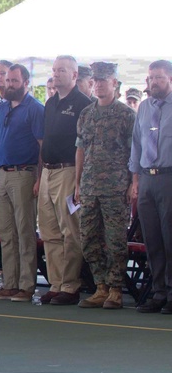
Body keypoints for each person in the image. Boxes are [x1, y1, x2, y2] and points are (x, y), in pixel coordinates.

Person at [74, 62, 136, 309]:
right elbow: (80, 149)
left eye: (103, 80)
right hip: (89, 186)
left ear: (115, 84)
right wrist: (77, 183)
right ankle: (100, 286)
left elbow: (134, 152)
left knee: (115, 241)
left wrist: (132, 183)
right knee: (89, 238)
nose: (98, 84)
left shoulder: (126, 115)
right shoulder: (86, 114)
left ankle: (116, 289)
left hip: (115, 188)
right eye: (95, 81)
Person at [0, 64, 45, 303]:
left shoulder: (35, 109)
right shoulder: (2, 108)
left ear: (26, 83)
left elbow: (43, 146)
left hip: (24, 173)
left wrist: (39, 178)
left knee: (25, 231)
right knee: (6, 233)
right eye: (7, 80)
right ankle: (9, 283)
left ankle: (26, 285)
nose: (9, 84)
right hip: (3, 173)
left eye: (14, 81)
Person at [38, 56, 92, 306]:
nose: (57, 74)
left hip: (69, 171)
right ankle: (56, 282)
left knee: (69, 229)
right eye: (54, 70)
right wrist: (40, 176)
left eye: (62, 70)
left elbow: (86, 146)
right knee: (49, 231)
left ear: (74, 74)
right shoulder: (50, 103)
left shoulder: (83, 103)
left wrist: (80, 180)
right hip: (48, 171)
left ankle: (70, 285)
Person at [129, 59, 172, 314]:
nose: (153, 82)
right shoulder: (144, 107)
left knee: (170, 237)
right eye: (150, 78)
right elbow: (137, 144)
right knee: (152, 238)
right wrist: (135, 181)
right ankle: (158, 292)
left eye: (158, 77)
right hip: (146, 179)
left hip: (169, 178)